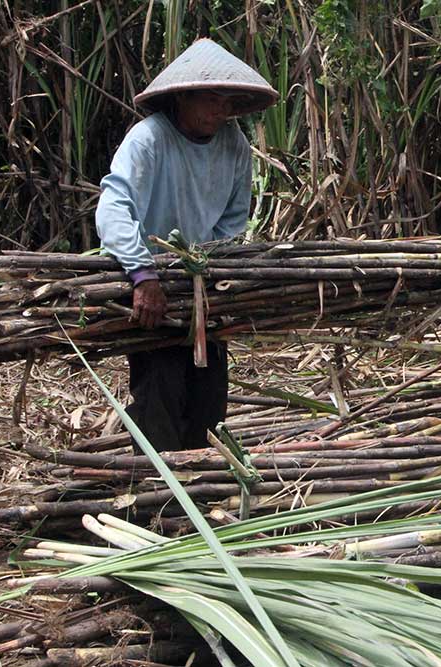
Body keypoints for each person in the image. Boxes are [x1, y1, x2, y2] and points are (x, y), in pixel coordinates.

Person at [95, 39, 278, 451]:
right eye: (212, 98)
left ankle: (199, 488)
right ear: (183, 96)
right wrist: (143, 276)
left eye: (228, 100)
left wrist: (215, 276)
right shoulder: (148, 140)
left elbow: (232, 223)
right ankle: (156, 499)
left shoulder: (234, 145)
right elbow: (112, 211)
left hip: (203, 289)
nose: (222, 109)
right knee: (160, 393)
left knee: (208, 402)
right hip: (154, 287)